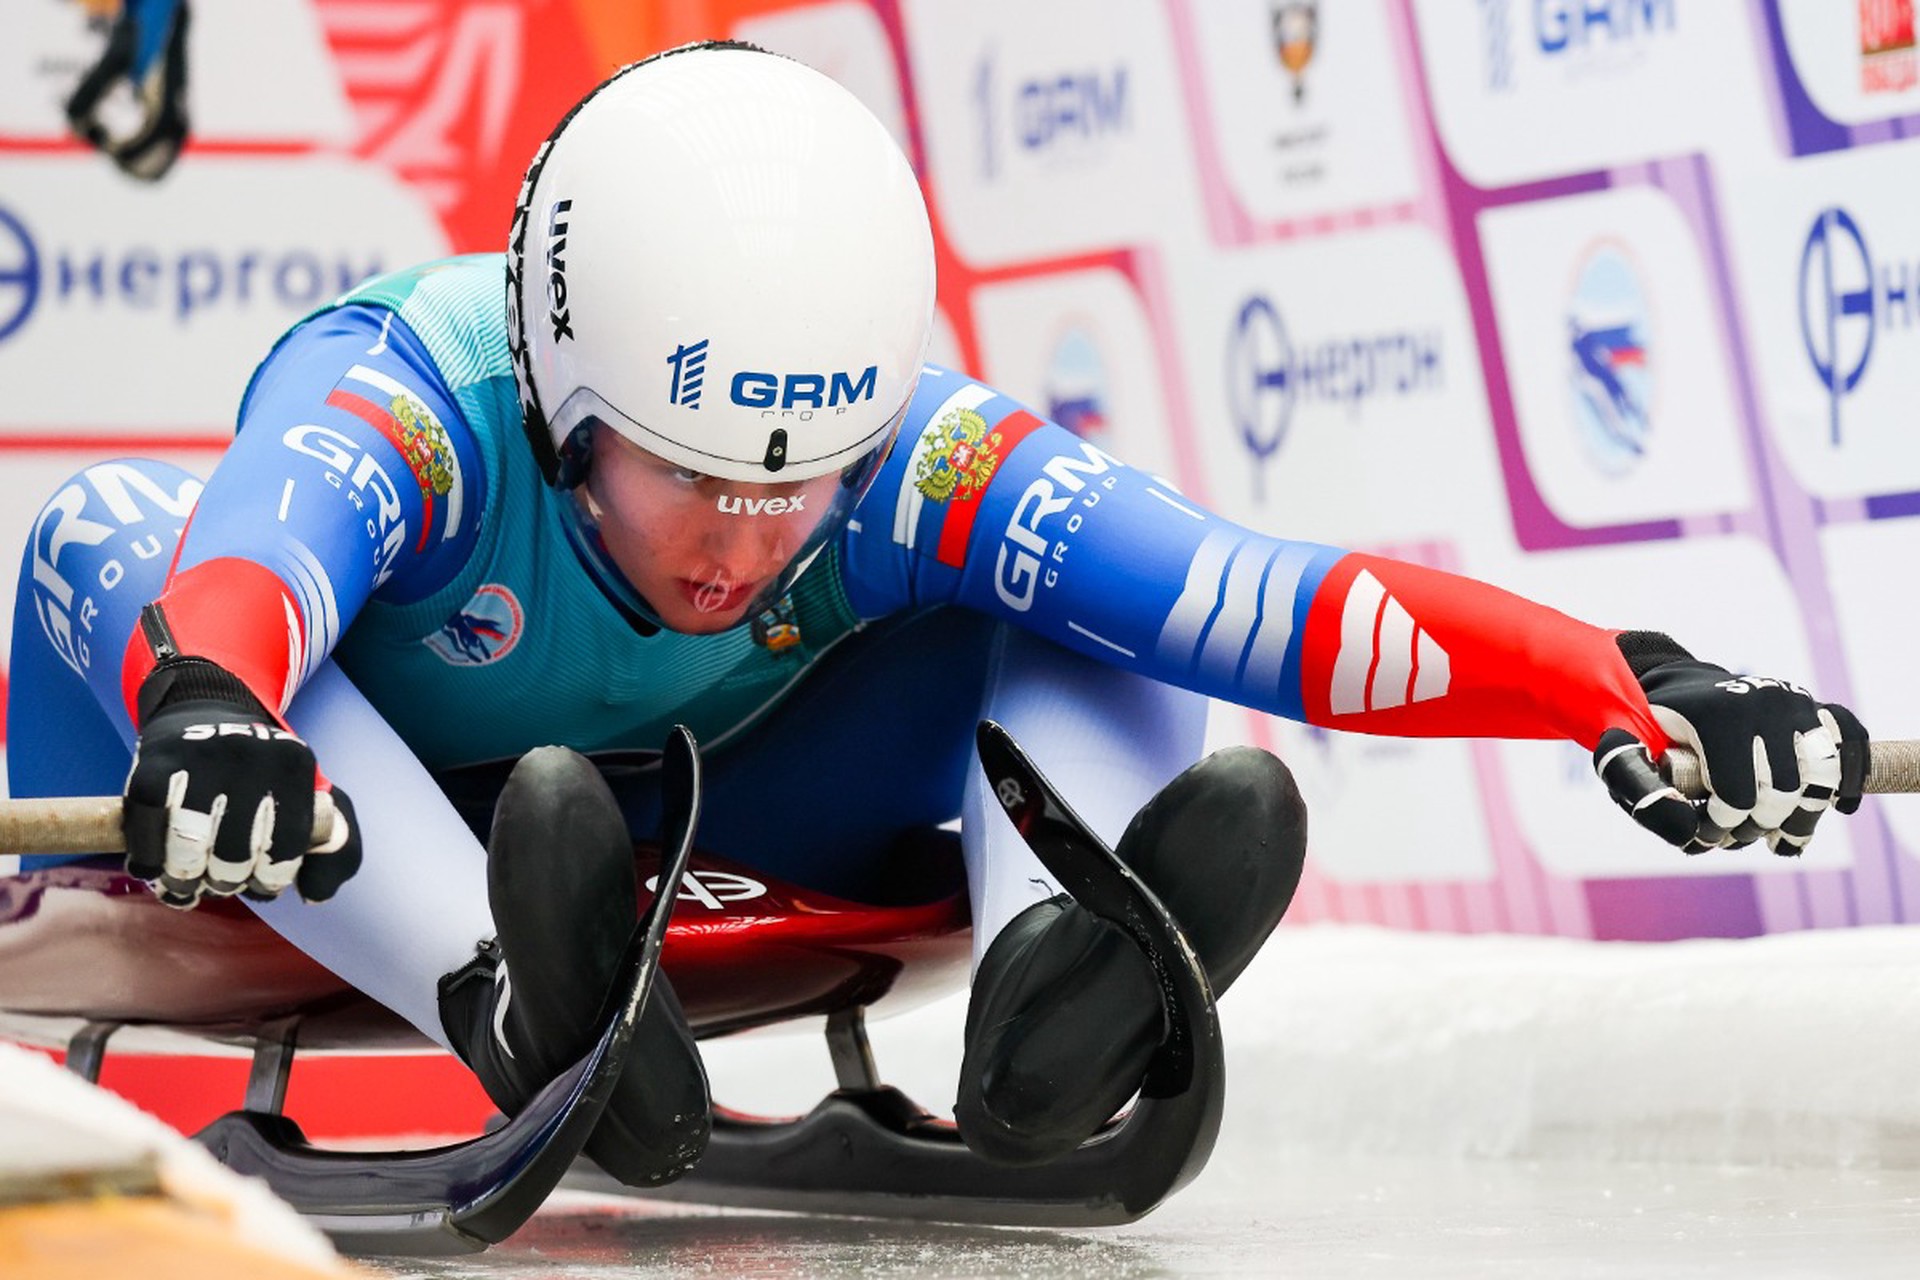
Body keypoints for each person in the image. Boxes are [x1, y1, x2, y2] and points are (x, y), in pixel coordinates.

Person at [5, 42, 1869, 1180]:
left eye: (790, 486)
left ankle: (1069, 959)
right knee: (111, 534)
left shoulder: (913, 450)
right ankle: (517, 1010)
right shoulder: (410, 390)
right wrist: (215, 698)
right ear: (567, 406)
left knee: (1086, 606)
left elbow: (1261, 602)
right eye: (686, 474)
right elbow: (246, 558)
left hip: (630, 821)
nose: (740, 544)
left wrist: (1631, 690)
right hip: (227, 820)